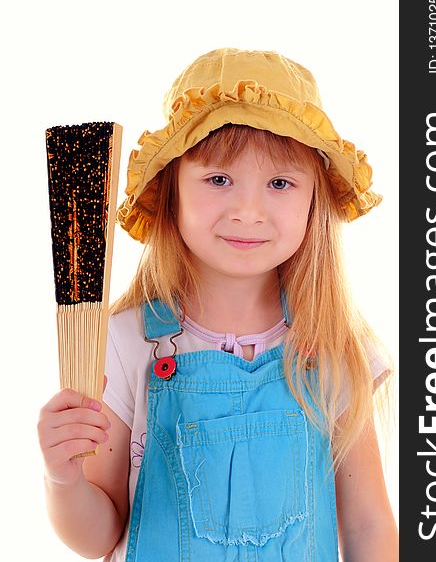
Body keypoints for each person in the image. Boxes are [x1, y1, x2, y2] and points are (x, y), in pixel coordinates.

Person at [38, 48, 398, 561]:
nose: (248, 212)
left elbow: (368, 527)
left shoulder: (335, 347)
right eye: (219, 179)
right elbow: (97, 537)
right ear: (171, 192)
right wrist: (62, 479)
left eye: (279, 183)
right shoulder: (122, 342)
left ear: (314, 199)